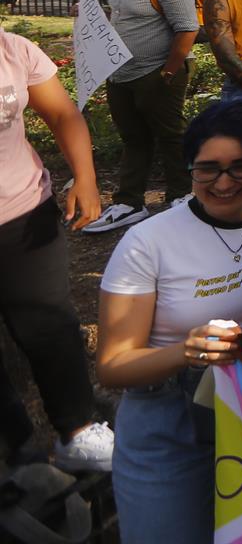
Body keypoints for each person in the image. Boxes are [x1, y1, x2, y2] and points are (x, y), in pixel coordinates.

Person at [96, 103, 242, 539]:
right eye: (206, 169)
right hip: (170, 414)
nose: (224, 183)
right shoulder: (148, 243)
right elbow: (113, 365)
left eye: (241, 167)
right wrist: (184, 351)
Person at [1, 28, 109, 472]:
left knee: (52, 325)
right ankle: (17, 455)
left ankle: (77, 431)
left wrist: (84, 178)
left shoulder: (12, 48)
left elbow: (62, 113)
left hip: (25, 214)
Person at [85, 0, 201, 235]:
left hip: (156, 72)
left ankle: (183, 197)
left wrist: (168, 71)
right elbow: (125, 16)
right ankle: (129, 202)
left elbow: (188, 28)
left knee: (171, 135)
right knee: (133, 138)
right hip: (121, 73)